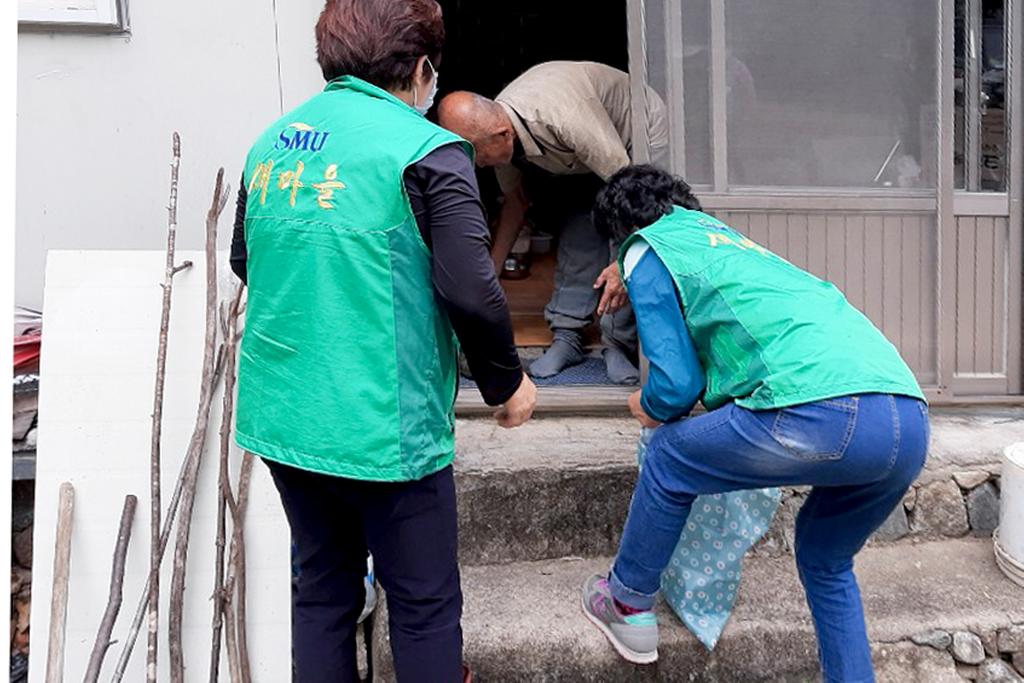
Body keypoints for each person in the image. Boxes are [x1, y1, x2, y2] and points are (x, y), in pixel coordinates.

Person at [229, 1, 537, 680]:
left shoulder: (271, 144)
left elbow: (246, 260)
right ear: (422, 68)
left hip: (286, 415)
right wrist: (506, 382)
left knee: (322, 587)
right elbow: (470, 289)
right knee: (423, 605)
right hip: (383, 424)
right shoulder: (426, 150)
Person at [580, 166, 929, 682]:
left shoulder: (645, 249)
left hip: (821, 413)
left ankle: (626, 603)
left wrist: (647, 403)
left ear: (621, 233)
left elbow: (676, 387)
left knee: (669, 456)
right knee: (825, 557)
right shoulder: (730, 244)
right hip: (908, 418)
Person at [437, 62, 668, 385]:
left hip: (633, 134)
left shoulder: (565, 118)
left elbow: (631, 192)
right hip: (583, 152)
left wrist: (622, 263)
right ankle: (568, 335)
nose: (474, 164)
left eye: (475, 153)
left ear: (502, 136)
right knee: (578, 225)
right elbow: (515, 203)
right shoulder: (498, 131)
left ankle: (617, 344)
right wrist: (487, 272)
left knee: (622, 238)